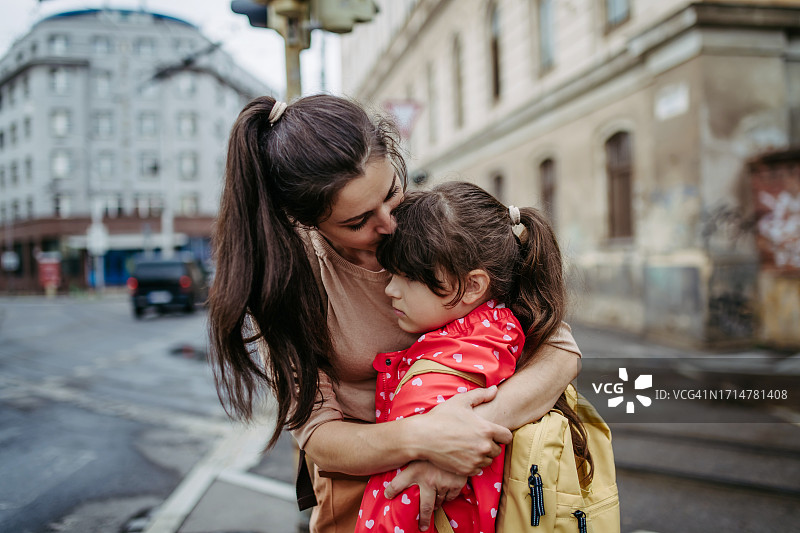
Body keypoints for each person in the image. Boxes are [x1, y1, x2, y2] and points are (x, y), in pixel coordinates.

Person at [208, 95, 582, 533]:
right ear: (306, 220)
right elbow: (321, 438)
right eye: (358, 221)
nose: (388, 224)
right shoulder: (288, 283)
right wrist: (425, 441)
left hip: (489, 482)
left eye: (391, 194)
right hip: (368, 501)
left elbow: (558, 350)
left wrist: (462, 442)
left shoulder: (433, 227)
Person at [354, 182, 591, 533]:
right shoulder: (504, 331)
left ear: (474, 285)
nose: (390, 289)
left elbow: (402, 498)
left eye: (405, 277)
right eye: (391, 274)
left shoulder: (444, 370)